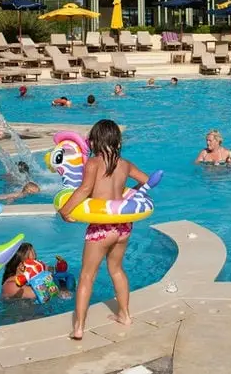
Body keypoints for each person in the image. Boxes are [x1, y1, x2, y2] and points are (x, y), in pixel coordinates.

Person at [59, 119, 152, 338]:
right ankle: (125, 315)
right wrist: (129, 193)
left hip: (101, 228)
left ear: (97, 140)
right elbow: (147, 181)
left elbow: (84, 190)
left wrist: (65, 210)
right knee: (117, 270)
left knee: (86, 276)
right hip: (122, 227)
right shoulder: (125, 164)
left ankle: (79, 327)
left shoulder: (93, 163)